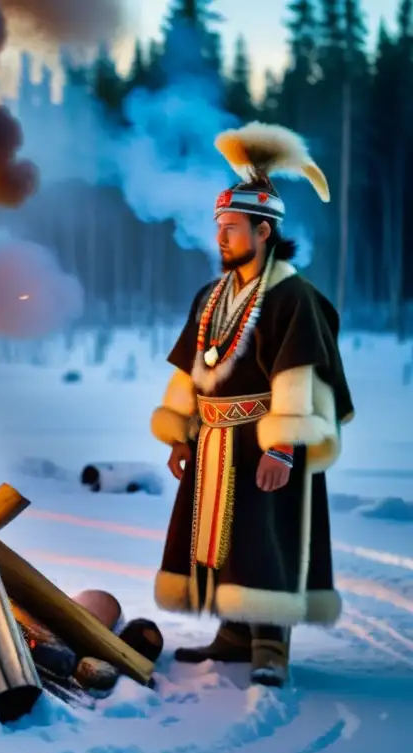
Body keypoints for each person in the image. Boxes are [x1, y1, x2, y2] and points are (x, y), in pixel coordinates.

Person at [149, 122, 355, 686]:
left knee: (266, 537)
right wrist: (179, 434)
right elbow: (191, 369)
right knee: (219, 540)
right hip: (213, 439)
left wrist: (284, 446)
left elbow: (298, 375)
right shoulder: (210, 295)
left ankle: (271, 643)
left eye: (232, 229)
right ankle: (235, 633)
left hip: (265, 439)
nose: (221, 238)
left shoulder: (293, 296)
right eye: (219, 228)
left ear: (264, 232)